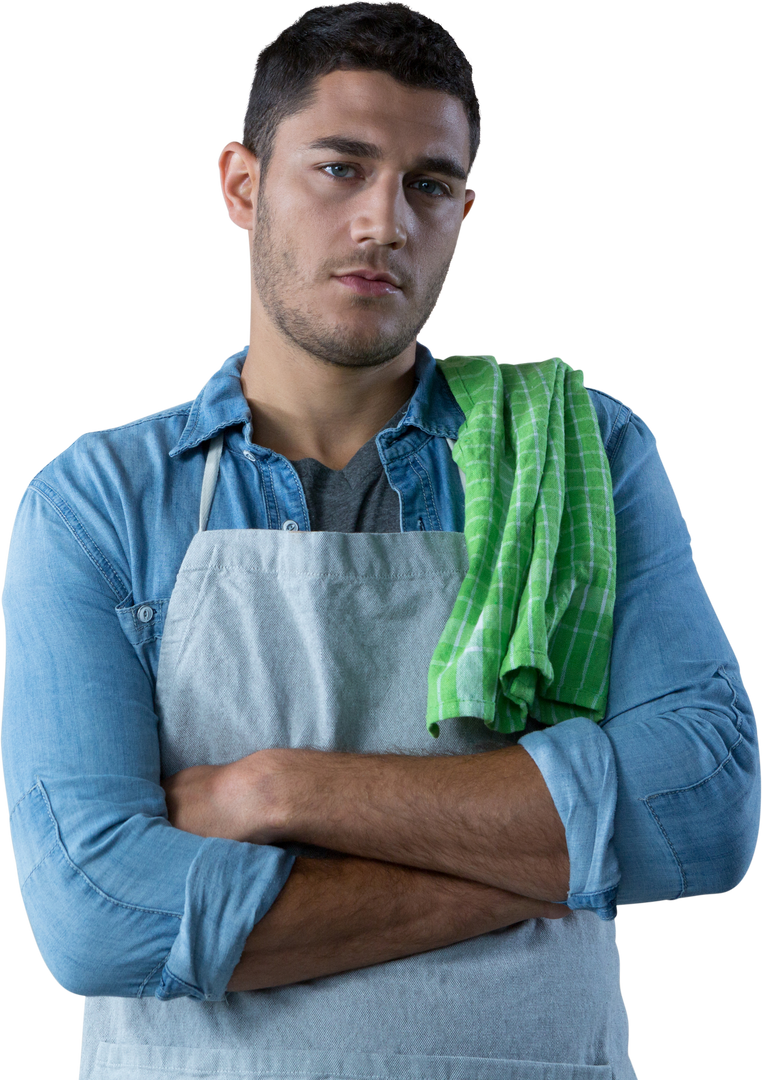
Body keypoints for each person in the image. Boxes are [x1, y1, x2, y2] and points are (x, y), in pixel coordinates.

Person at [2, 3, 759, 1078]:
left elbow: (704, 807)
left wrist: (276, 791)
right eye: (341, 168)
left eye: (428, 184)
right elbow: (98, 920)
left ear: (463, 211)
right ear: (242, 184)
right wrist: (550, 867)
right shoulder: (102, 500)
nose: (383, 222)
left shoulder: (579, 452)